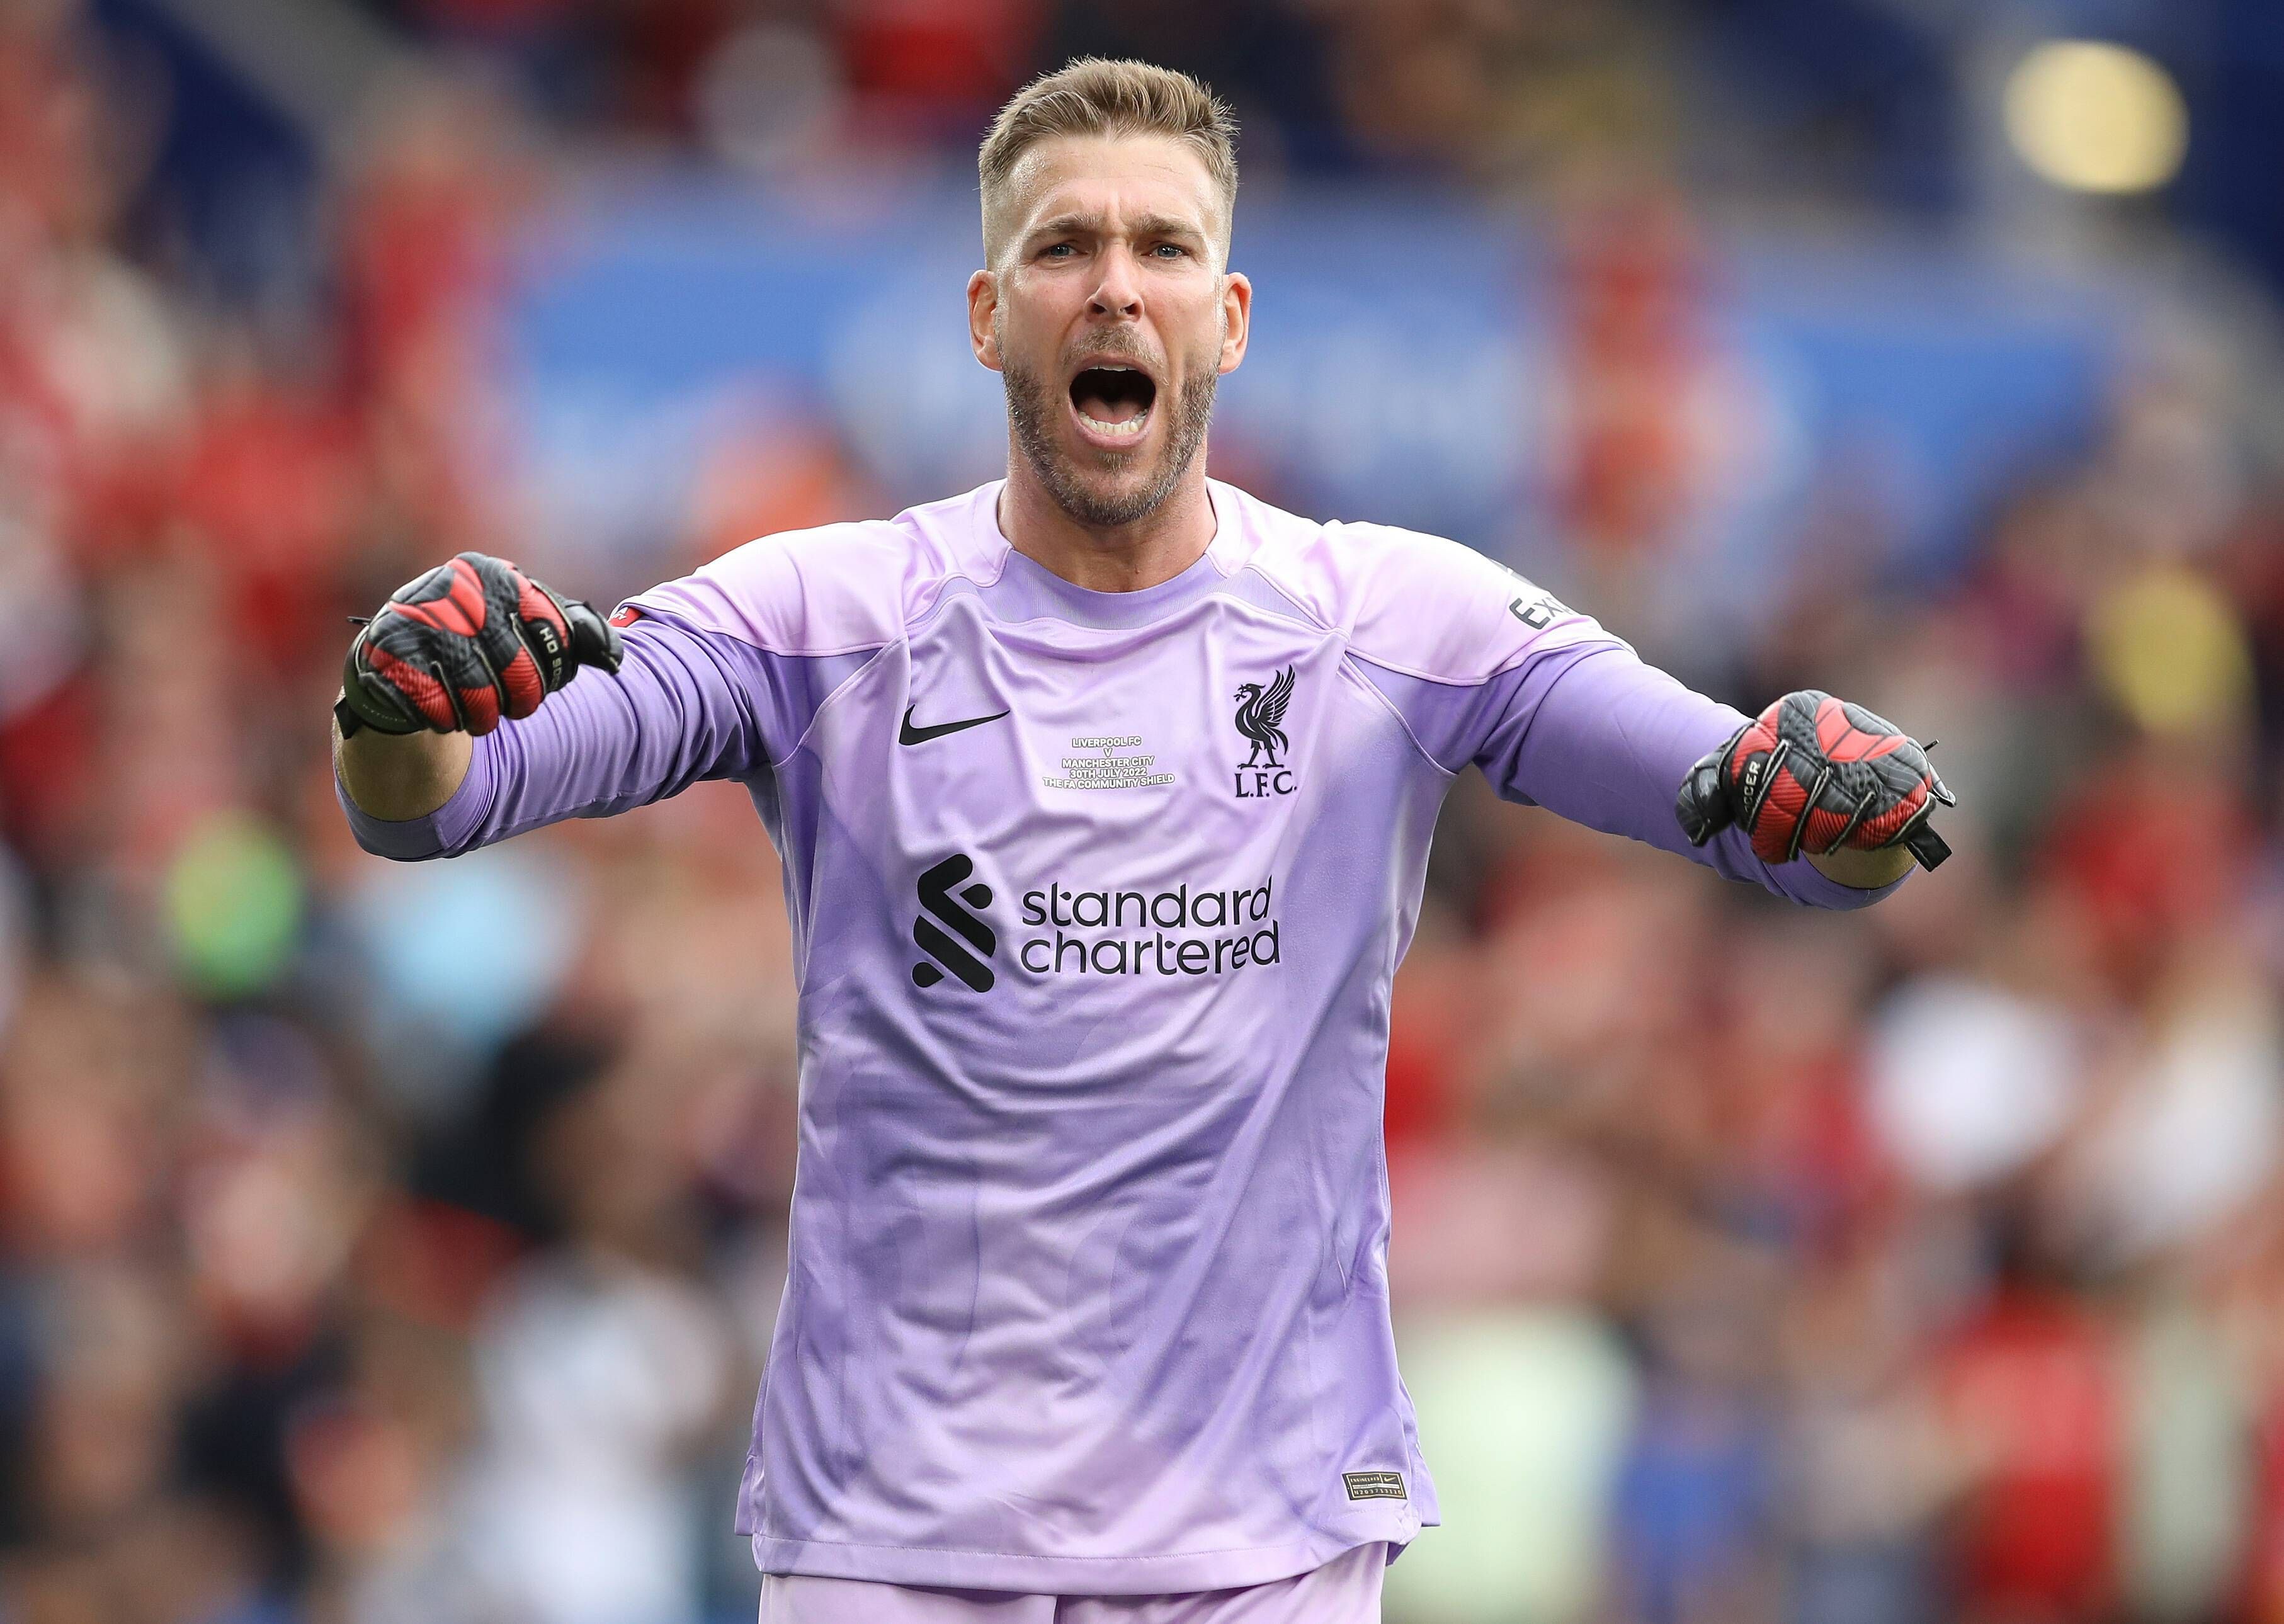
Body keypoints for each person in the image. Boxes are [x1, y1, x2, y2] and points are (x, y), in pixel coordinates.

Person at [332, 57, 1950, 1624]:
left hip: (1259, 1547)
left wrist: (1840, 802)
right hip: (894, 1540)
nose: (1116, 287)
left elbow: (1770, 822)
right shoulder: (821, 616)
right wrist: (397, 712)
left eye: (1164, 247)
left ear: (1226, 323)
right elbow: (442, 802)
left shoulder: (1389, 621)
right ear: (986, 317)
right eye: (1063, 247)